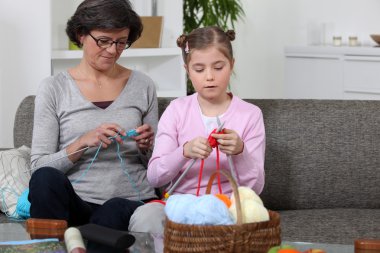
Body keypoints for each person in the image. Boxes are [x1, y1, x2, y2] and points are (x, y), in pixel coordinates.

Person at [28, 0, 159, 250]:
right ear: (81, 34)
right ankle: (50, 246)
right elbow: (38, 167)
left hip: (131, 200)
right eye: (103, 41)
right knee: (45, 178)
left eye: (121, 42)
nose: (113, 50)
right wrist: (82, 143)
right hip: (77, 203)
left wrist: (147, 147)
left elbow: (158, 166)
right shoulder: (53, 88)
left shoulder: (143, 85)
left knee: (113, 209)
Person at [147, 26, 265, 201]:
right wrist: (184, 151)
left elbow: (256, 188)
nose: (209, 77)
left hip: (229, 207)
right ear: (187, 70)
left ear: (232, 65)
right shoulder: (176, 110)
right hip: (181, 207)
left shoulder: (250, 115)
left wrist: (241, 152)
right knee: (146, 218)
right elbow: (154, 178)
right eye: (199, 69)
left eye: (218, 67)